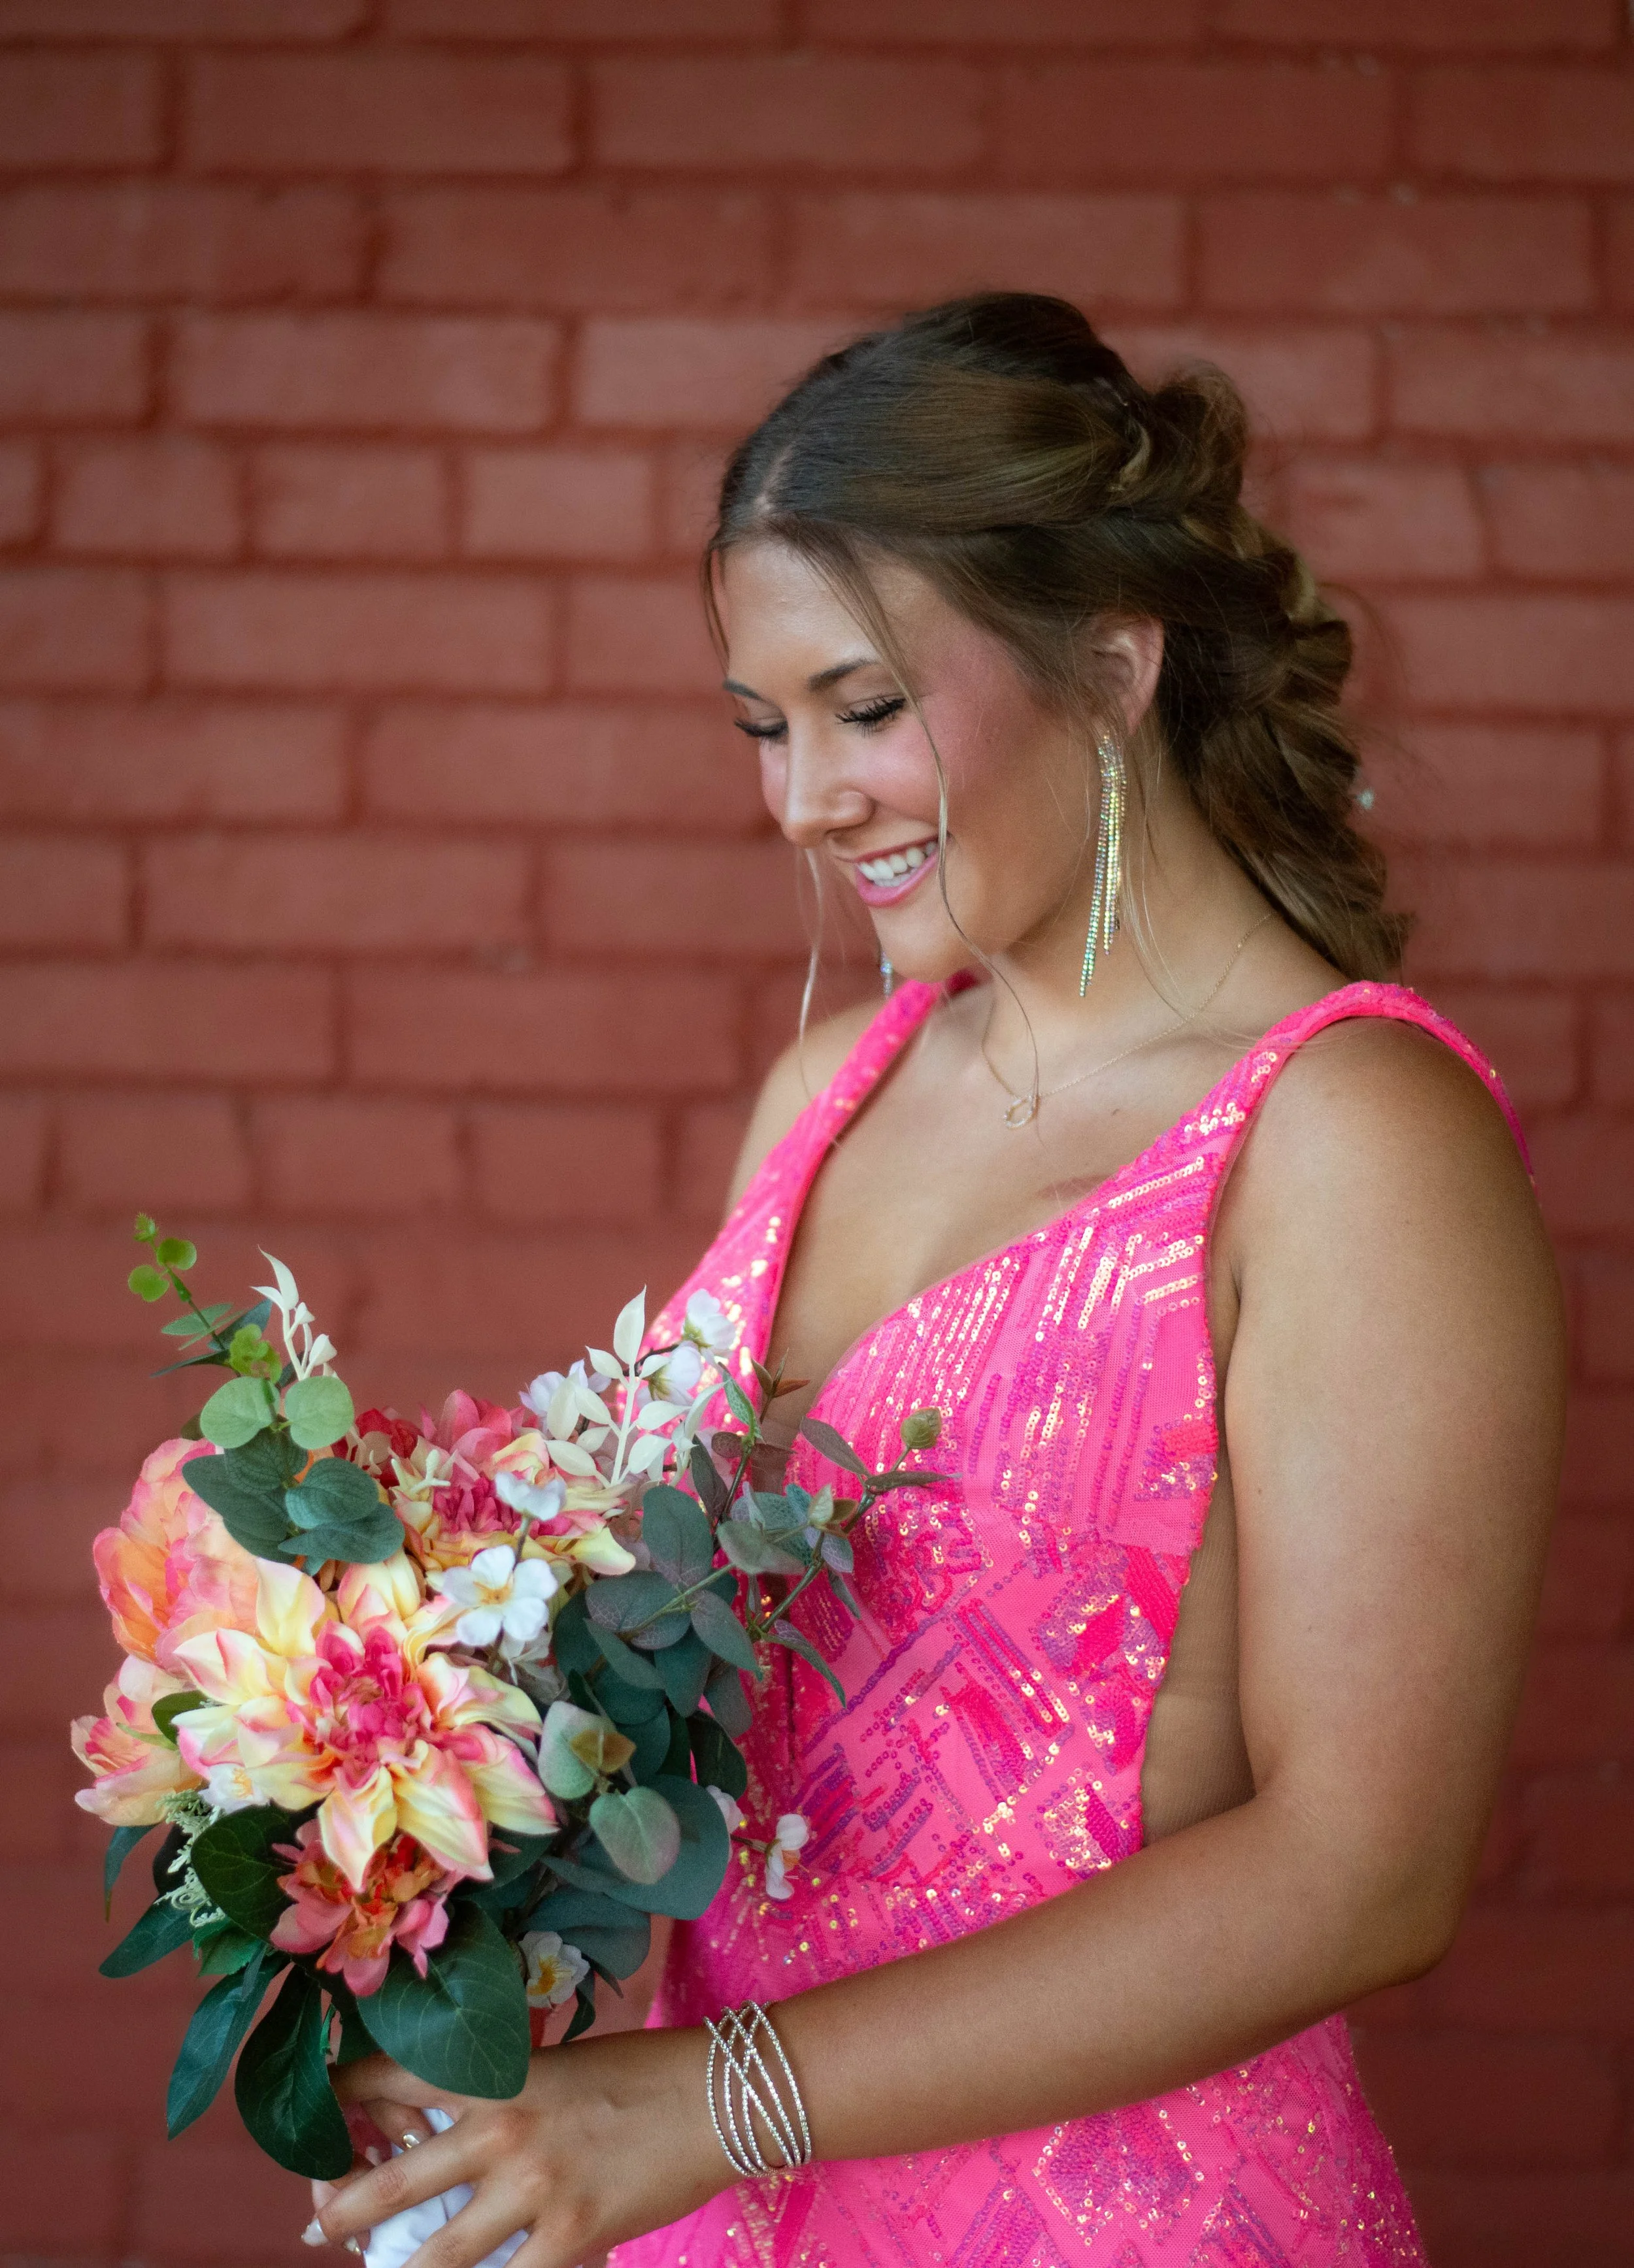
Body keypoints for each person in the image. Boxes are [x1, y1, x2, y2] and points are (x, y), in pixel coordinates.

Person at [312, 295, 1565, 2267]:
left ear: (1112, 665)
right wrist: (459, 1924)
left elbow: (1362, 1868)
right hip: (701, 2210)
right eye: (764, 727)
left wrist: (709, 2099)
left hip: (1120, 2218)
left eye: (863, 705)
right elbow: (706, 1712)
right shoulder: (830, 1091)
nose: (806, 801)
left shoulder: (1350, 1140)